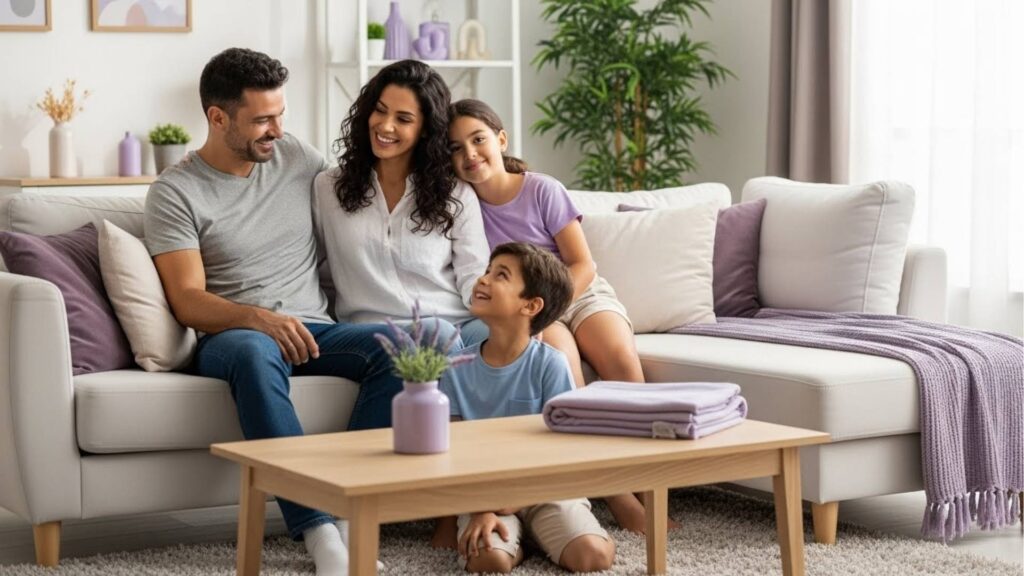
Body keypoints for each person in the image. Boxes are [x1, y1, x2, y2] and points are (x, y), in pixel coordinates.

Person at [145, 47, 394, 576]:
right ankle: (319, 532)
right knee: (256, 354)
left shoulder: (295, 156)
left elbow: (367, 189)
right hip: (234, 337)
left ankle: (350, 514)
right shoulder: (175, 192)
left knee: (404, 346)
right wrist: (258, 318)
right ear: (218, 118)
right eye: (262, 120)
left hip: (315, 329)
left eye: (280, 115)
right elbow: (187, 299)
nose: (277, 131)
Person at [448, 98, 671, 533]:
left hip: (577, 290)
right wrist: (535, 317)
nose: (470, 154)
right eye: (456, 148)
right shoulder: (462, 206)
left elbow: (582, 263)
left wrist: (551, 307)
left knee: (621, 360)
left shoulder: (541, 189)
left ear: (501, 139)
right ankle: (614, 493)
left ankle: (649, 487)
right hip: (526, 308)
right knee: (562, 361)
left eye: (478, 140)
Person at [440, 242, 616, 574]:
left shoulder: (551, 364)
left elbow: (566, 450)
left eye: (501, 275)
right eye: (487, 271)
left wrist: (520, 500)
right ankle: (521, 544)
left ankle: (548, 531)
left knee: (593, 556)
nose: (483, 279)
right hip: (484, 496)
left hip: (545, 489)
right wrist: (480, 508)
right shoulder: (454, 368)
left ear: (531, 305)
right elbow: (453, 454)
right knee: (489, 562)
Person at [313, 60, 490, 346]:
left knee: (531, 346)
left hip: (455, 323)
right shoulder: (328, 188)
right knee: (437, 334)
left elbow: (474, 272)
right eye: (380, 110)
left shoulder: (455, 193)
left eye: (404, 119)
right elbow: (314, 269)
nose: (385, 126)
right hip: (371, 333)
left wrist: (508, 318)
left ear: (425, 128)